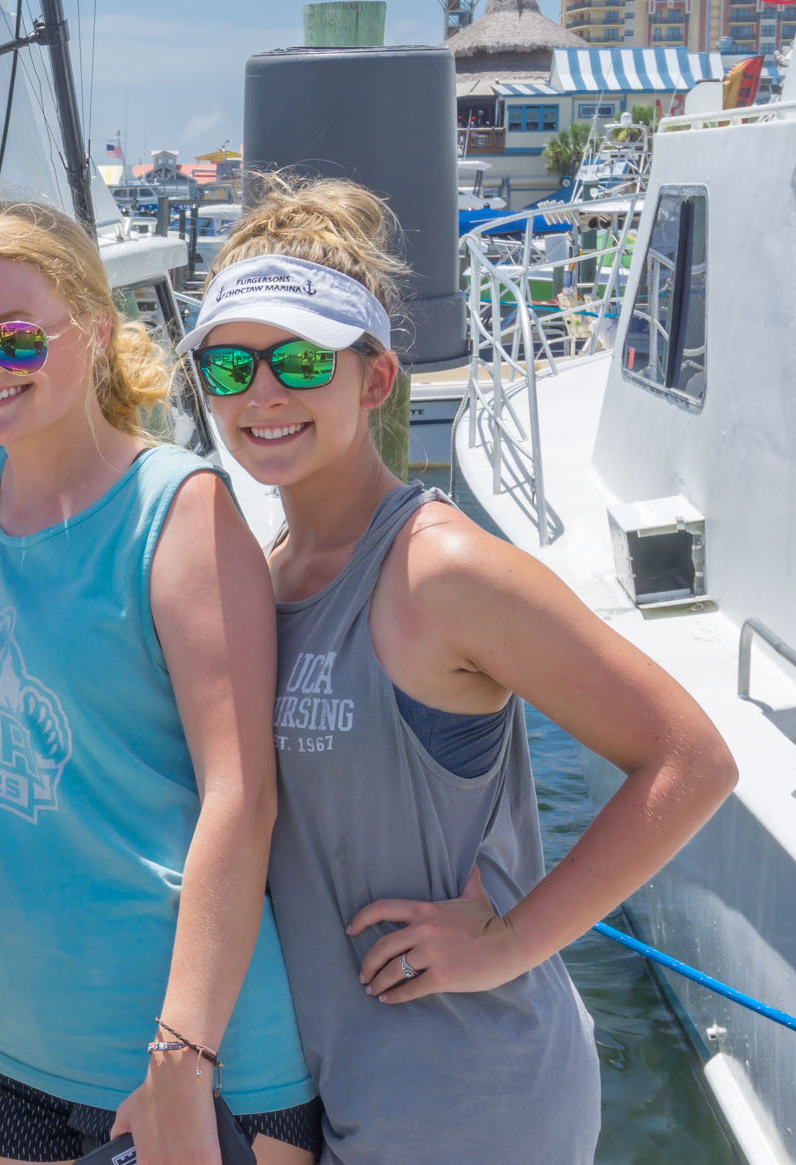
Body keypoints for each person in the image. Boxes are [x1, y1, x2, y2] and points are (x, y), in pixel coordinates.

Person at [176, 174, 738, 1163]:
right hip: (318, 1084)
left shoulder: (437, 570)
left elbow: (687, 760)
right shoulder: (262, 579)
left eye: (298, 360)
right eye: (228, 367)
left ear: (374, 379)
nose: (261, 392)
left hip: (466, 1095)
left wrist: (514, 940)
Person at [0, 200, 320, 1165]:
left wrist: (183, 1063)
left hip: (188, 1067)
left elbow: (242, 796)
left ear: (94, 330)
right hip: (2, 1040)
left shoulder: (181, 510)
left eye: (13, 338)